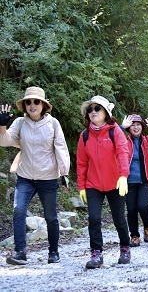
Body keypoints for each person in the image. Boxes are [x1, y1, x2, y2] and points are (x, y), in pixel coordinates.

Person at [0, 87, 70, 265]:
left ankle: (53, 252)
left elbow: (61, 147)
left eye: (36, 102)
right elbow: (5, 141)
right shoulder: (21, 123)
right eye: (28, 102)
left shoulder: (53, 123)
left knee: (51, 216)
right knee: (18, 211)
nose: (32, 105)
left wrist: (64, 173)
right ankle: (20, 252)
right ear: (24, 105)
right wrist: (2, 126)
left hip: (47, 177)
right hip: (25, 176)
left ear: (43, 105)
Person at [77, 95, 131, 269]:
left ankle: (125, 248)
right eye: (90, 109)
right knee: (93, 218)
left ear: (106, 112)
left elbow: (123, 153)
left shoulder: (115, 131)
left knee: (119, 219)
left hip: (115, 183)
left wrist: (123, 176)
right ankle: (96, 253)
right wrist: (81, 186)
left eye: (97, 108)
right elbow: (81, 162)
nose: (93, 112)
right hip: (93, 184)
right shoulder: (85, 136)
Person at [121, 114, 148, 247]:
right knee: (132, 209)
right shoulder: (124, 140)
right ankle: (134, 236)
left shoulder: (146, 140)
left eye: (138, 124)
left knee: (142, 206)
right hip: (129, 181)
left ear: (142, 127)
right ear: (129, 128)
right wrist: (122, 127)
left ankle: (147, 227)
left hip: (146, 180)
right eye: (133, 125)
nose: (135, 127)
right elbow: (112, 139)